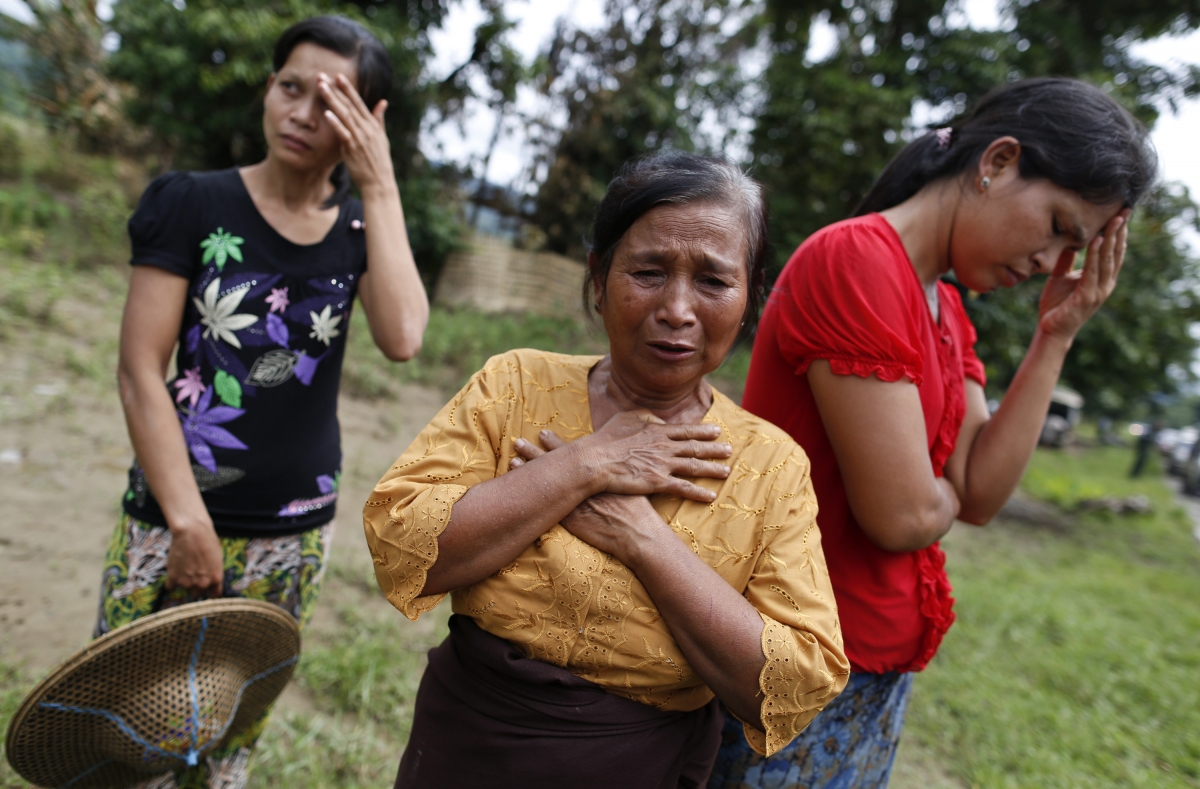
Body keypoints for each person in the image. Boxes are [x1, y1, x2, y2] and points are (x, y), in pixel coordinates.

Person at [711, 77, 1156, 788]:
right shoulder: (856, 262)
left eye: (1075, 247)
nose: (1052, 262)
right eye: (1058, 227)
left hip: (870, 672)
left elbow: (976, 493)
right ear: (998, 163)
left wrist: (1056, 336)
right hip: (797, 662)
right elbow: (903, 515)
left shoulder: (946, 305)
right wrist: (934, 496)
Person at [364, 152, 850, 788]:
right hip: (466, 746)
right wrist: (584, 463)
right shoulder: (514, 385)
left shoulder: (772, 466)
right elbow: (404, 545)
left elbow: (793, 679)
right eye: (648, 271)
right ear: (599, 277)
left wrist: (637, 535)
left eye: (712, 281)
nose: (677, 309)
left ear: (751, 297)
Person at [98, 16, 429, 787]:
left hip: (293, 536)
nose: (303, 115)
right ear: (266, 90)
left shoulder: (359, 230)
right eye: (290, 88)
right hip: (169, 519)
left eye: (331, 101)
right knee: (123, 730)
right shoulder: (192, 203)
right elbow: (138, 370)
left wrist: (378, 185)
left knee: (229, 732)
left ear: (368, 121)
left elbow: (405, 336)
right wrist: (187, 521)